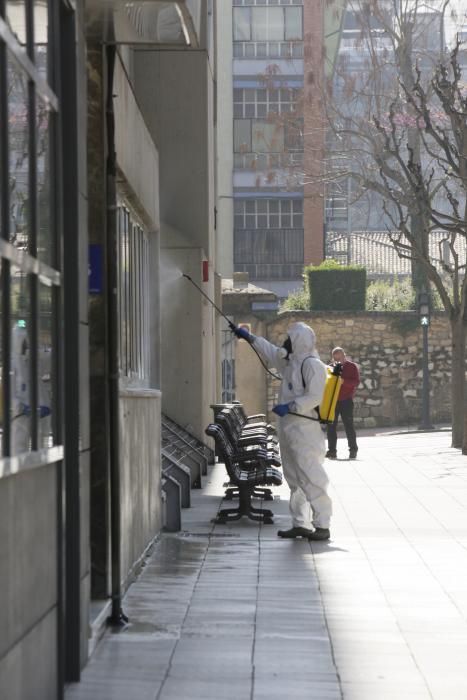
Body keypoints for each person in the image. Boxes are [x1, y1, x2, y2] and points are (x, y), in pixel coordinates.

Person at [231, 321, 332, 541]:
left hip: (306, 428)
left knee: (311, 476)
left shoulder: (312, 365)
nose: (285, 342)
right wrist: (249, 337)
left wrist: (291, 406)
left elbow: (316, 396)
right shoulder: (290, 363)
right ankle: (300, 524)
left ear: (299, 342)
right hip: (289, 428)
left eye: (290, 338)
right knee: (294, 479)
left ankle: (322, 525)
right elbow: (269, 350)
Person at [326, 347, 360, 460]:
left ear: (344, 355)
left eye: (340, 358)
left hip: (346, 400)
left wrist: (344, 382)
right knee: (330, 427)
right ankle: (332, 451)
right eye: (335, 359)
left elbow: (356, 382)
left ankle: (353, 450)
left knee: (349, 426)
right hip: (332, 401)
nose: (338, 361)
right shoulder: (330, 367)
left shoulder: (352, 366)